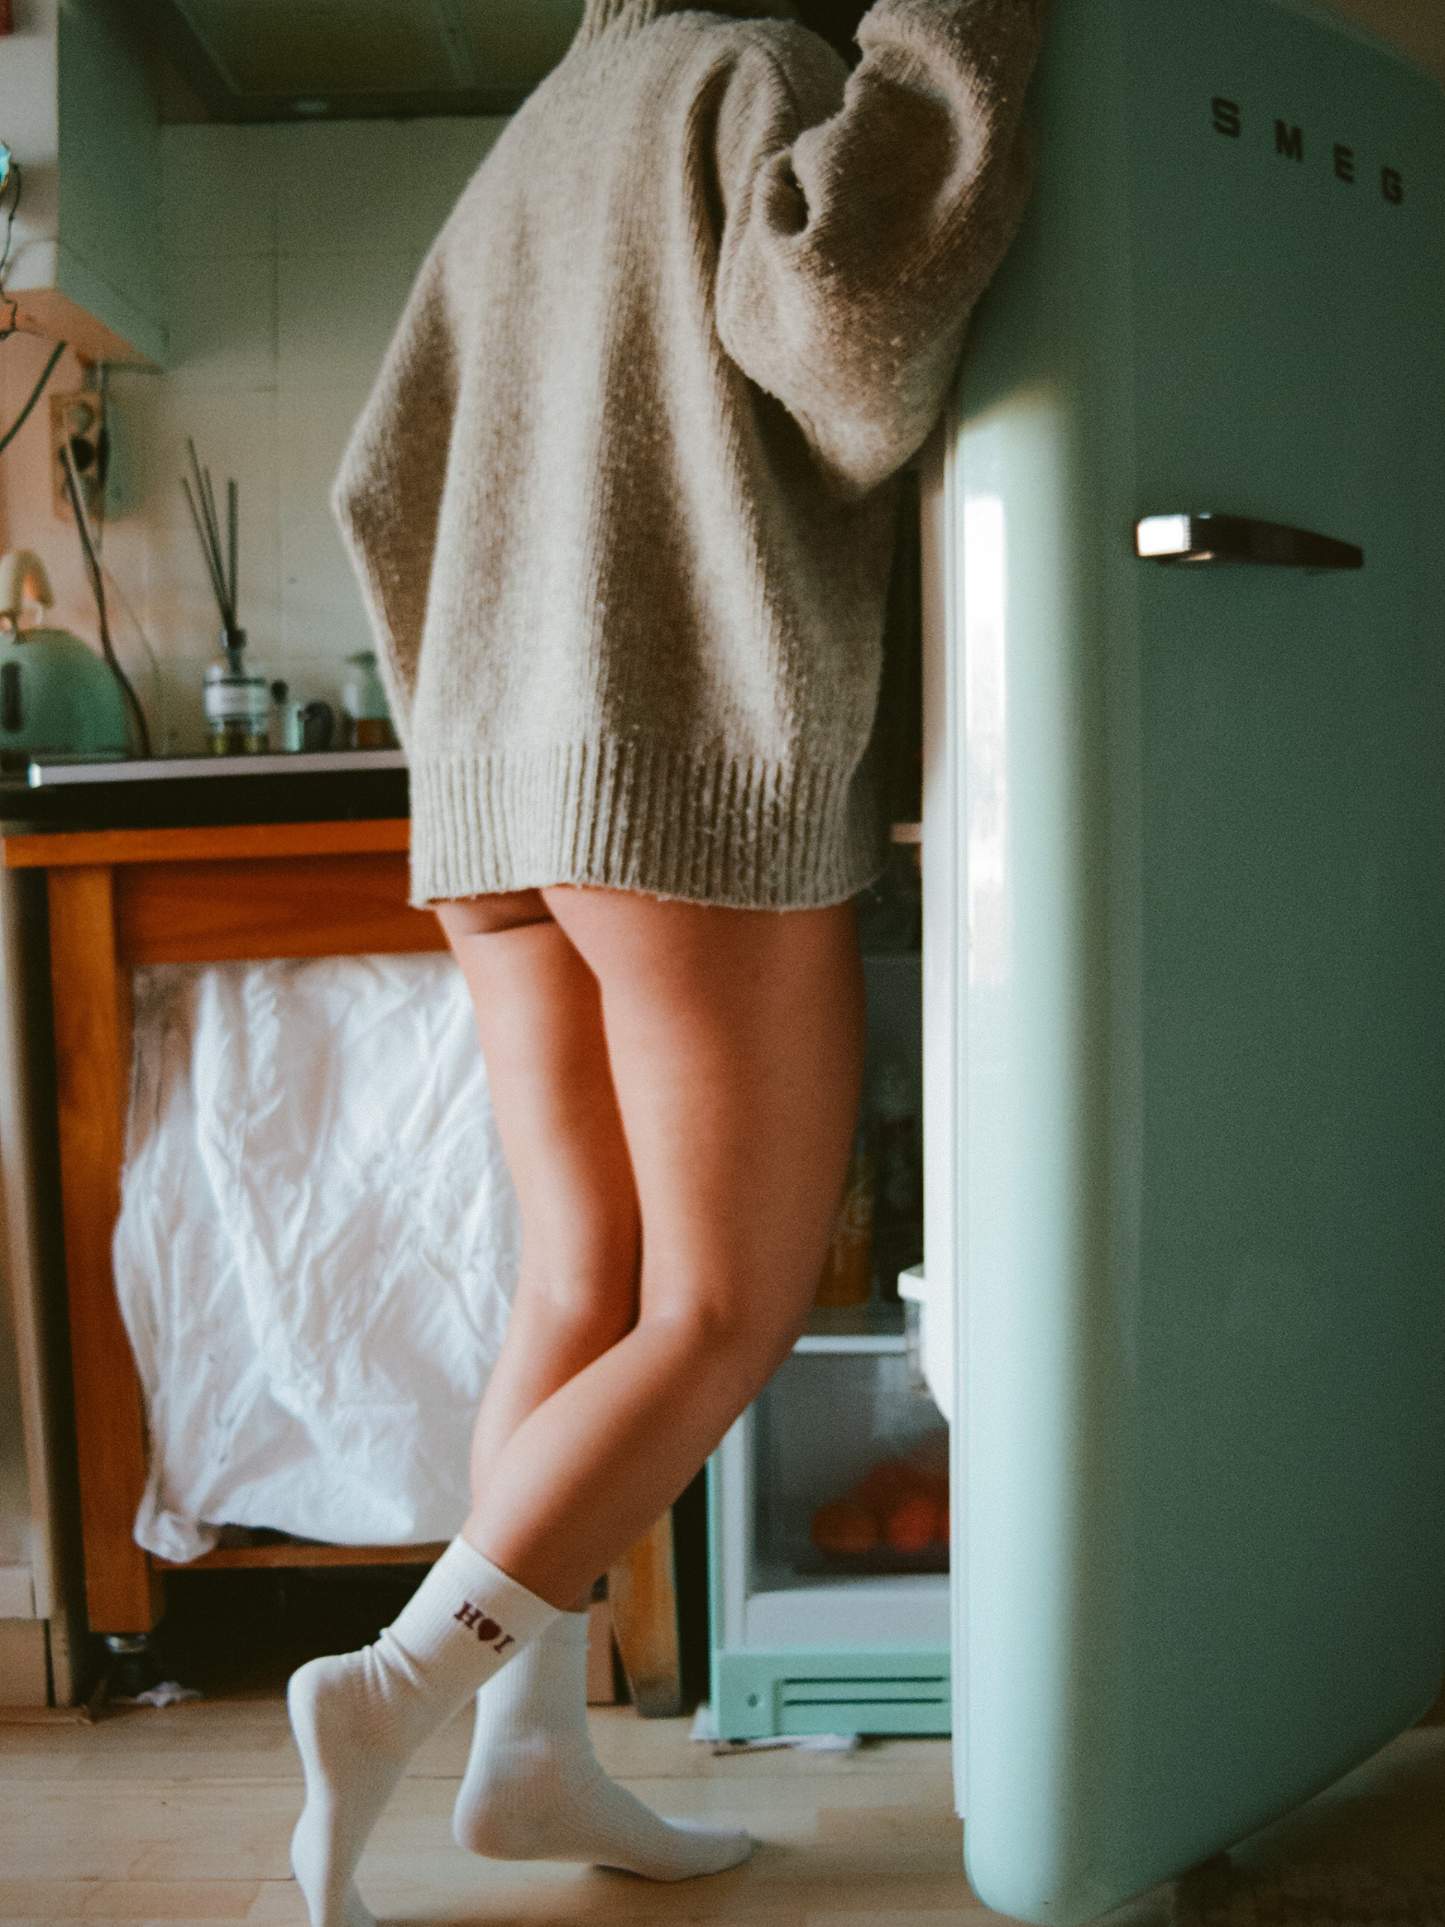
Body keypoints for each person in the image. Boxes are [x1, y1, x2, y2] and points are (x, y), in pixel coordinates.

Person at [290, 1, 1048, 1922]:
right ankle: (388, 1690)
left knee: (586, 1279)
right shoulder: (749, 84)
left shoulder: (540, 131)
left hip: (492, 795)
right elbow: (859, 345)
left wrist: (496, 725)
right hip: (676, 770)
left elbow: (376, 479)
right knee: (725, 1307)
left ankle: (531, 1756)